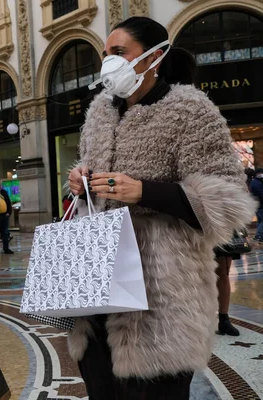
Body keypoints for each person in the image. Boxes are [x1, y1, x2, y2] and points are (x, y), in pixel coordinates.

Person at [67, 17, 255, 399]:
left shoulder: (190, 110)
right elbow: (89, 182)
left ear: (155, 56)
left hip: (161, 295)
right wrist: (79, 181)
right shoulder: (99, 112)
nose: (108, 62)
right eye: (105, 54)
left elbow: (228, 200)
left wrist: (144, 192)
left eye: (118, 53)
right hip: (97, 285)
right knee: (102, 388)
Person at [249, 168, 263, 242]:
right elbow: (261, 193)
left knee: (260, 221)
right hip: (261, 204)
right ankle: (259, 235)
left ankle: (260, 235)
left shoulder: (254, 181)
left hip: (257, 204)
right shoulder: (257, 183)